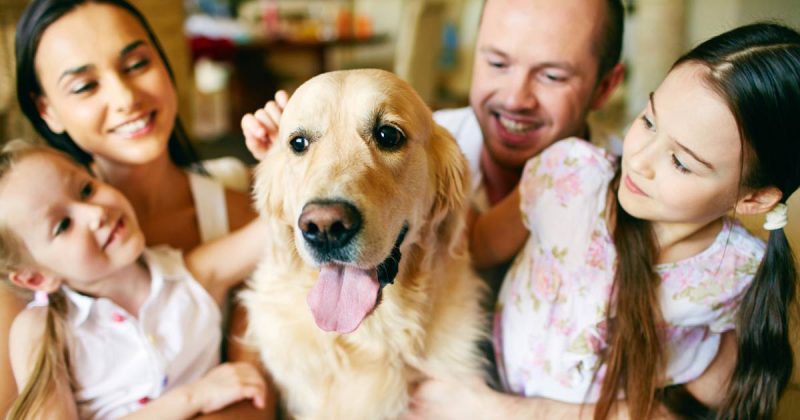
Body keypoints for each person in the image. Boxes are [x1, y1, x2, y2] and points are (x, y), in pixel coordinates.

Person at [408, 22, 800, 419]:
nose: (641, 160)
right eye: (648, 121)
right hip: (489, 380)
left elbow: (697, 402)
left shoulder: (737, 272)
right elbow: (477, 244)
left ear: (753, 199)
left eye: (681, 163)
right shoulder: (566, 176)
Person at [4, 0, 267, 416]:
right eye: (85, 86)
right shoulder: (27, 290)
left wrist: (288, 149)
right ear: (46, 110)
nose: (125, 97)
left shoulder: (202, 251)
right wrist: (188, 400)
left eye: (136, 64)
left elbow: (252, 397)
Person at [0, 142, 268, 419]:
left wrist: (279, 150)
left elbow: (274, 227)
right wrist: (192, 397)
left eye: (86, 190)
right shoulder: (42, 329)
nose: (95, 214)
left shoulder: (193, 275)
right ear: (36, 277)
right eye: (63, 225)